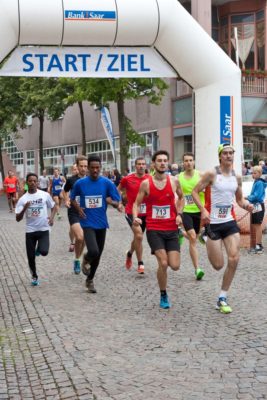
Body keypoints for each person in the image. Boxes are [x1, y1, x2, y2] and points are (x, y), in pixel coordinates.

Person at [192, 143, 254, 314]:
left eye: (231, 153)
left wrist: (247, 205)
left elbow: (240, 200)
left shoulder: (237, 177)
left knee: (234, 259)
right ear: (220, 156)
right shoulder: (212, 174)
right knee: (218, 265)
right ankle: (206, 237)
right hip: (213, 223)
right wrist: (203, 210)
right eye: (225, 153)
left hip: (229, 222)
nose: (228, 155)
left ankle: (222, 297)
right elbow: (195, 191)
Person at [132, 150, 184, 309]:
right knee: (163, 262)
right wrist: (135, 217)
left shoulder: (174, 181)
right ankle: (163, 294)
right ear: (153, 164)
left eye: (165, 160)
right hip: (154, 229)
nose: (162, 163)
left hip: (171, 228)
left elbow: (181, 198)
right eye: (159, 160)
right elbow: (136, 203)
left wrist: (179, 214)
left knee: (174, 265)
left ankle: (178, 238)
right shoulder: (146, 184)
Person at [70, 155, 123, 293]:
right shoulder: (80, 184)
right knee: (93, 250)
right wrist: (78, 208)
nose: (95, 170)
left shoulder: (106, 183)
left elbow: (117, 200)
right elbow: (72, 199)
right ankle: (85, 259)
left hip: (102, 223)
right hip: (87, 222)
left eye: (97, 168)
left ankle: (90, 280)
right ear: (87, 168)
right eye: (92, 167)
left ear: (100, 168)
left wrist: (114, 203)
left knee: (98, 255)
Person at [15, 173, 56, 286]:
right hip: (30, 231)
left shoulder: (44, 195)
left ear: (37, 183)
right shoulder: (23, 199)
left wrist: (51, 218)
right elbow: (18, 219)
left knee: (44, 251)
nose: (33, 183)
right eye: (30, 181)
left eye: (34, 181)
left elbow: (53, 207)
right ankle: (34, 276)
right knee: (30, 256)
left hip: (43, 229)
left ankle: (39, 249)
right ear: (27, 183)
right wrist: (24, 208)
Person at [118, 157, 149, 274]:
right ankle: (140, 263)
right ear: (135, 166)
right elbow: (118, 189)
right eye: (139, 164)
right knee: (139, 236)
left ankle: (130, 253)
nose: (141, 166)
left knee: (137, 238)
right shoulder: (127, 178)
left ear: (145, 166)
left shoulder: (149, 179)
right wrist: (120, 202)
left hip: (146, 213)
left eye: (143, 164)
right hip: (131, 211)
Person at [179, 152, 205, 280]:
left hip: (200, 210)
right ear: (182, 163)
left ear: (194, 162)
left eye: (190, 160)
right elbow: (176, 195)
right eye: (186, 161)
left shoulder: (201, 175)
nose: (188, 163)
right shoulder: (178, 177)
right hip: (187, 211)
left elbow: (210, 189)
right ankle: (197, 269)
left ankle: (180, 233)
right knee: (193, 238)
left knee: (197, 235)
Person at [62, 157, 88, 274]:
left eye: (85, 166)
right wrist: (67, 200)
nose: (83, 168)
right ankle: (77, 260)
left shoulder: (91, 179)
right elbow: (65, 191)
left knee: (85, 240)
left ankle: (78, 257)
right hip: (74, 211)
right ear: (77, 166)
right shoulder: (72, 180)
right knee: (79, 237)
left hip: (87, 212)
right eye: (81, 166)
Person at [246, 165, 267, 254]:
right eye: (252, 173)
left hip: (258, 205)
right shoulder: (257, 182)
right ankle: (258, 245)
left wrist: (248, 197)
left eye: (255, 173)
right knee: (255, 225)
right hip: (256, 206)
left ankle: (259, 245)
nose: (253, 175)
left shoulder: (259, 183)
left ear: (260, 173)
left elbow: (257, 196)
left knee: (257, 226)